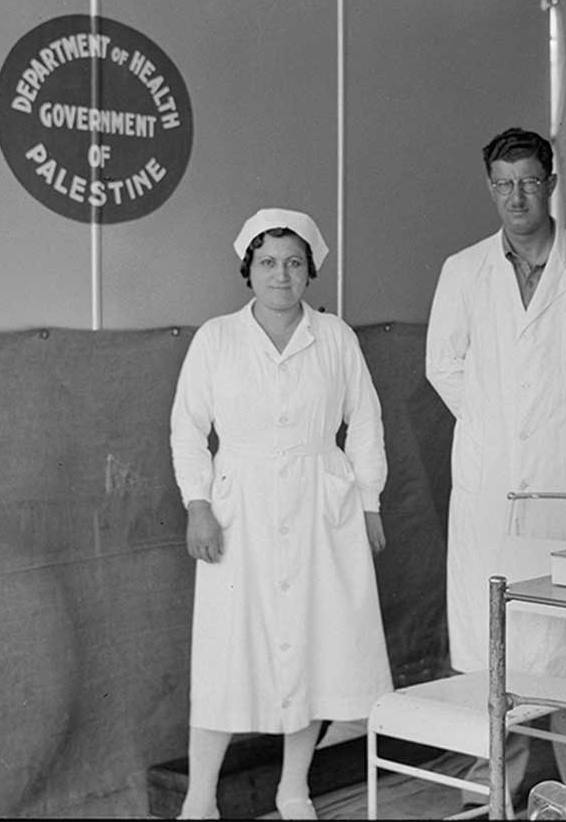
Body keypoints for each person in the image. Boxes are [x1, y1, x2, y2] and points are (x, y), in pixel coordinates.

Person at [426, 127, 566, 799]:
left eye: (529, 180)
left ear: (551, 182)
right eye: (503, 183)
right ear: (489, 187)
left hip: (565, 482)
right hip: (493, 484)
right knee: (496, 639)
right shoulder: (463, 269)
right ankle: (490, 787)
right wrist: (503, 425)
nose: (516, 195)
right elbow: (443, 364)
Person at [170, 208, 391, 820]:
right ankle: (200, 798)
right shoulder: (216, 338)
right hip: (239, 508)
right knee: (226, 651)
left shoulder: (336, 337)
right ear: (249, 269)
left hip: (324, 507)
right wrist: (198, 505)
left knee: (315, 648)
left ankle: (294, 786)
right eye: (268, 262)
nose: (281, 275)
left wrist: (368, 502)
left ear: (310, 270)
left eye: (294, 262)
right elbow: (188, 428)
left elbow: (366, 421)